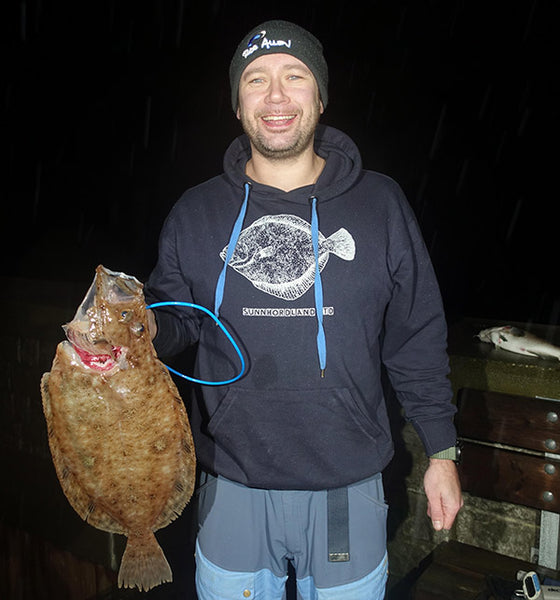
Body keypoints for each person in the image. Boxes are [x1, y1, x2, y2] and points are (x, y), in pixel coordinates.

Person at [145, 19, 463, 600]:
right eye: (255, 80)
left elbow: (415, 334)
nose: (275, 97)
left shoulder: (381, 204)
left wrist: (440, 449)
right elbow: (178, 318)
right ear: (237, 105)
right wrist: (136, 328)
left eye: (294, 77)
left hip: (348, 479)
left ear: (319, 96)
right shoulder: (195, 212)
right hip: (232, 477)